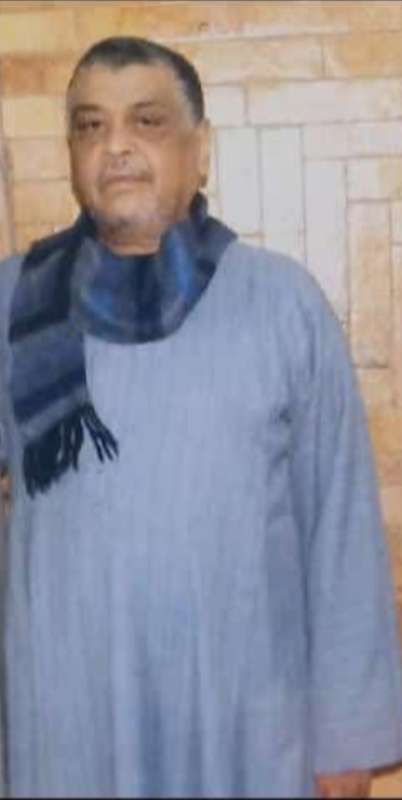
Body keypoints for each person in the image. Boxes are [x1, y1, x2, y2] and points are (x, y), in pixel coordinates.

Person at [0, 36, 401, 800]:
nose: (115, 146)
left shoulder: (283, 305)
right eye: (90, 126)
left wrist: (346, 742)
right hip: (68, 719)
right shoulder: (15, 302)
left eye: (146, 121)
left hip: (244, 719)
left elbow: (340, 528)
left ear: (201, 149)